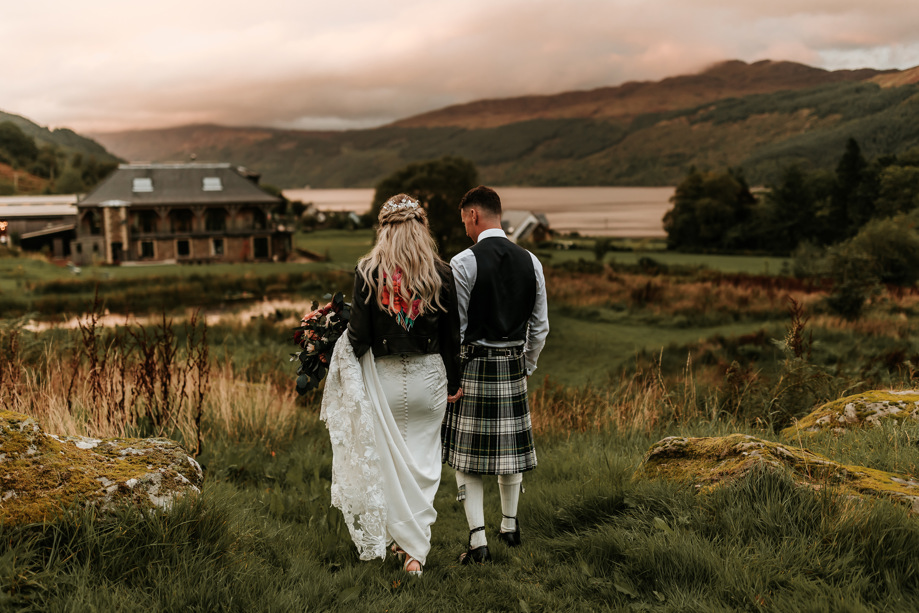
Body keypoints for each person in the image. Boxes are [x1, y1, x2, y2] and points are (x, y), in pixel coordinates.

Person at [319, 194, 461, 577]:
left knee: (391, 466)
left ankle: (405, 544)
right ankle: (413, 551)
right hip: (429, 378)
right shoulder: (441, 272)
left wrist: (329, 344)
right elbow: (453, 337)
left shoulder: (368, 270)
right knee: (423, 463)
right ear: (421, 228)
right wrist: (456, 382)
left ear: (384, 230)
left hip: (383, 380)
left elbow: (359, 337)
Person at [442, 185, 549, 564]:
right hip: (513, 366)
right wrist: (526, 365)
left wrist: (452, 375)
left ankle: (478, 542)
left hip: (474, 366)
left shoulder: (462, 262)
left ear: (473, 215)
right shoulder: (531, 261)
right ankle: (510, 526)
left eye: (465, 223)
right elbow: (540, 327)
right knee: (511, 454)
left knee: (465, 459)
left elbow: (456, 327)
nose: (466, 231)